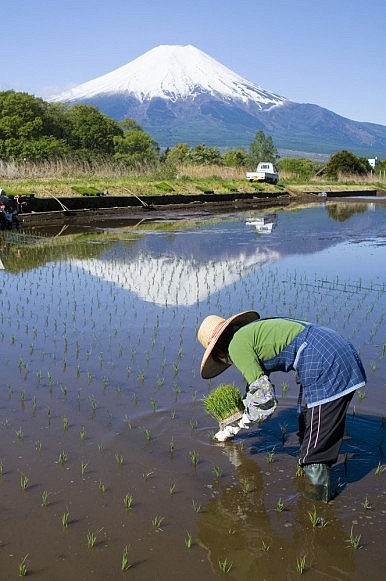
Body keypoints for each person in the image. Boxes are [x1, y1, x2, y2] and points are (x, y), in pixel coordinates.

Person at [197, 312, 367, 502]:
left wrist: (242, 422)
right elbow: (255, 385)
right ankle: (312, 481)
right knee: (309, 424)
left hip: (326, 361)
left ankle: (317, 503)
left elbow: (264, 396)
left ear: (219, 351)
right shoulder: (247, 334)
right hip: (334, 348)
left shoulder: (236, 346)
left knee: (316, 445)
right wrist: (241, 413)